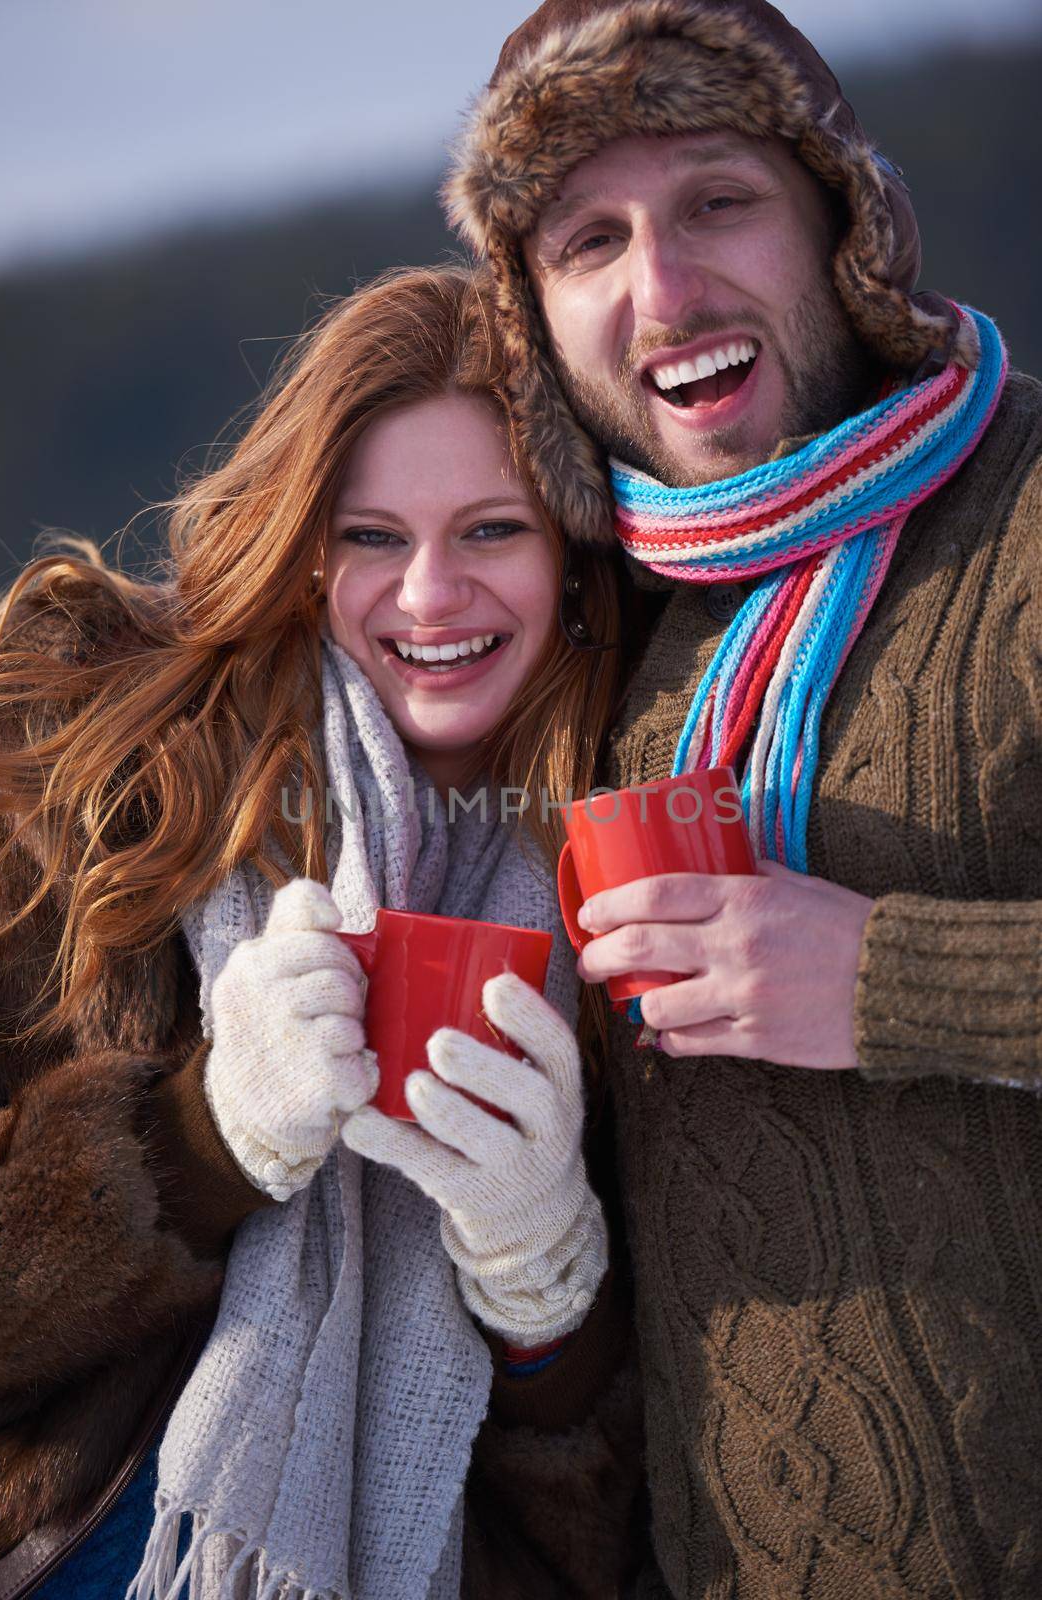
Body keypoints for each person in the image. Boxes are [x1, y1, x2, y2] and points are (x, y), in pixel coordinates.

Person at [446, 1, 1042, 1594]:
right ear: (534, 316)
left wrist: (899, 982)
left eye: (719, 202)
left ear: (843, 225)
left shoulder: (1032, 519)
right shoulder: (587, 639)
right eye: (589, 241)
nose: (665, 291)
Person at [0, 264, 639, 1600]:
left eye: (493, 531)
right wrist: (206, 1139)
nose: (431, 596)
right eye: (375, 537)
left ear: (572, 558)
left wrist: (545, 1279)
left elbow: (607, 1523)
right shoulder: (83, 763)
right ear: (304, 544)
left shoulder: (620, 860)